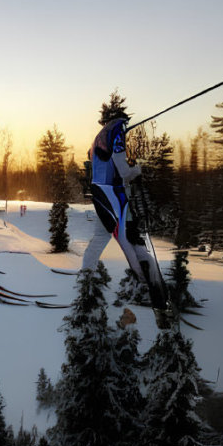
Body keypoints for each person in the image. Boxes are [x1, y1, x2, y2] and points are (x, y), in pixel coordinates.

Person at [82, 116, 170, 326]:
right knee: (131, 244)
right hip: (114, 198)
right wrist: (137, 169)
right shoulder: (116, 133)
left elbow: (95, 160)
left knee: (98, 240)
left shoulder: (98, 139)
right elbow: (124, 171)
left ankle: (85, 284)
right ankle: (159, 301)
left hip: (101, 197)